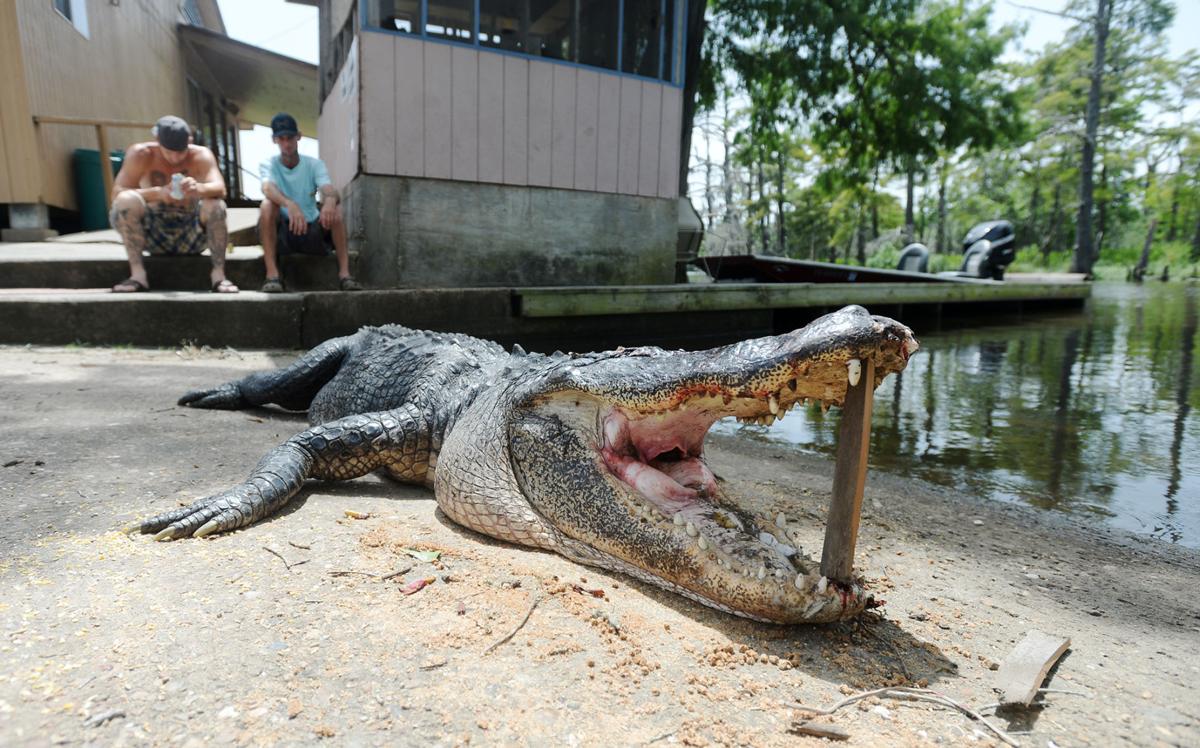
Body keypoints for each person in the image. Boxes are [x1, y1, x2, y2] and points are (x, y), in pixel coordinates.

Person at [109, 115, 237, 293]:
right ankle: (137, 275)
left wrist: (198, 188)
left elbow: (220, 188)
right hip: (152, 232)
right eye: (169, 152)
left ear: (189, 141)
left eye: (181, 152)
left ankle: (219, 276)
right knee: (125, 201)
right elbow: (117, 193)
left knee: (215, 205)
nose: (175, 158)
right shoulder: (140, 153)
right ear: (157, 141)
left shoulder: (201, 155)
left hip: (190, 232)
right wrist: (157, 193)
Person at [257, 113, 361, 292]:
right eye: (281, 139)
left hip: (311, 228)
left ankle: (345, 275)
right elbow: (267, 188)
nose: (286, 143)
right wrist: (289, 204)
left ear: (298, 136)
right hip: (284, 231)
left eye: (290, 137)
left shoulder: (314, 164)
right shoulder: (269, 164)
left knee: (335, 209)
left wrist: (330, 200)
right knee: (266, 205)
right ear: (274, 140)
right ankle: (272, 276)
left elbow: (329, 189)